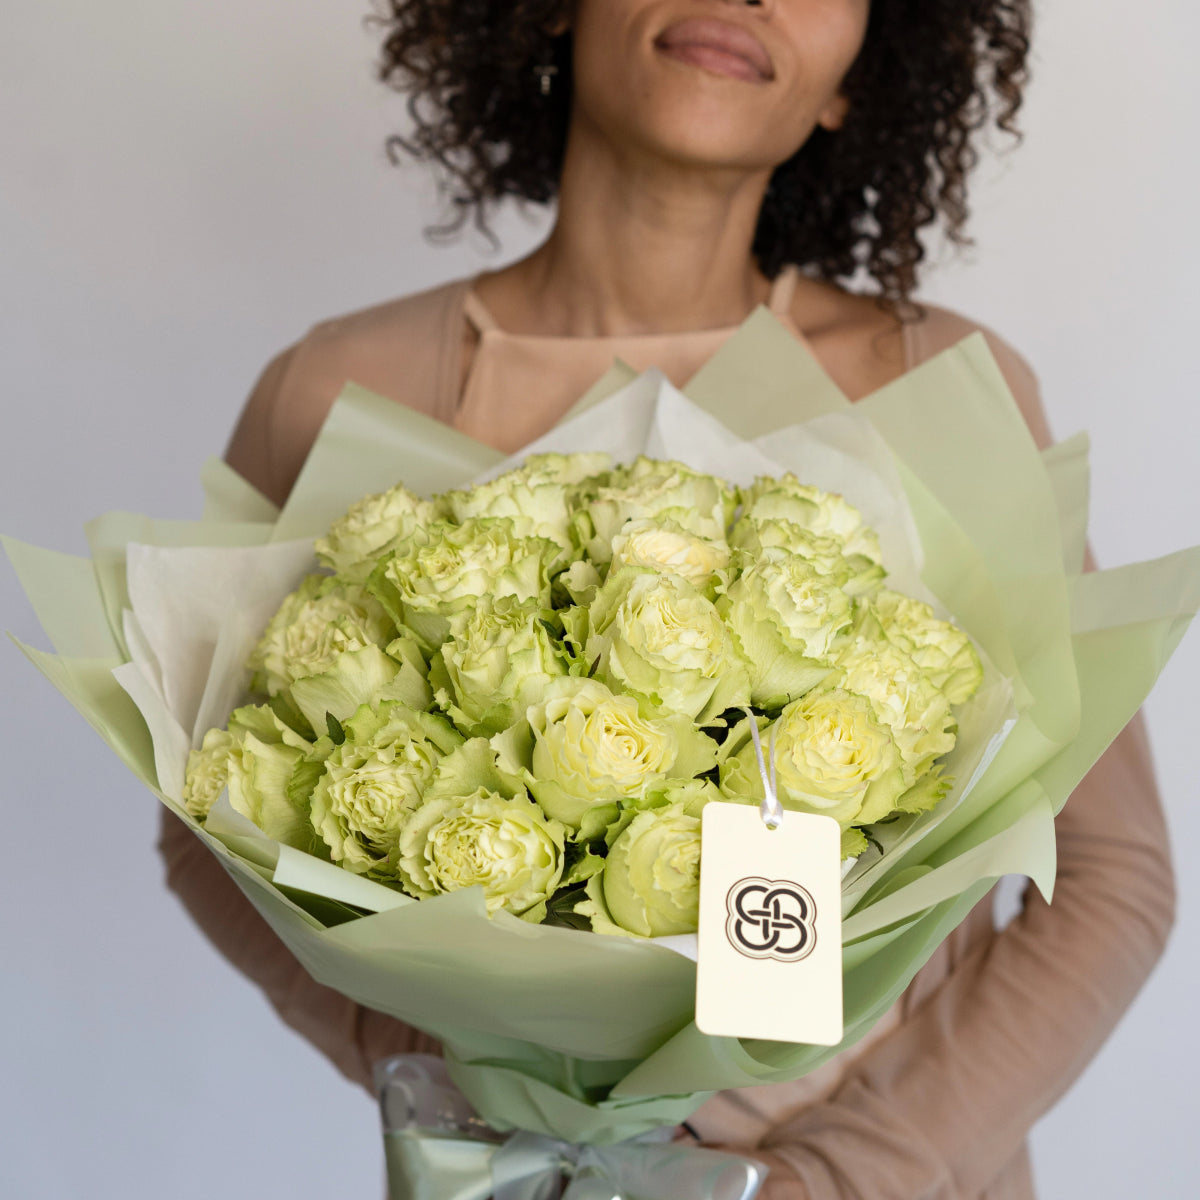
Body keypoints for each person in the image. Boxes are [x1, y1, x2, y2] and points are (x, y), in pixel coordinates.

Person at [158, 2, 1174, 1196]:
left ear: (858, 75)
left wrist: (827, 1178)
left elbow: (1108, 879)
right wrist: (460, 1083)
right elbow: (207, 822)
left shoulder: (944, 386)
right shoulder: (333, 391)